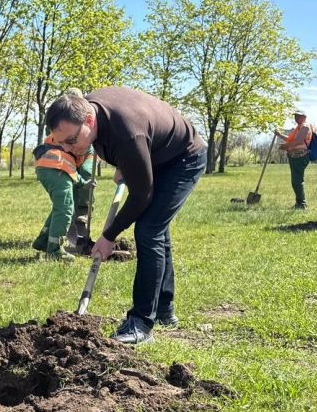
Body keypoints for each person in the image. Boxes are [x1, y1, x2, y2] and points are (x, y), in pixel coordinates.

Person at [46, 88, 206, 345]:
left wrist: (108, 236)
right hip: (154, 153)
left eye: (71, 140)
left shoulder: (127, 134)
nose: (68, 148)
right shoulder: (90, 112)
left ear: (88, 120)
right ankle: (164, 309)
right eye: (60, 142)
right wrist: (126, 164)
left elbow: (142, 196)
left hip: (183, 159)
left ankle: (141, 323)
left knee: (148, 230)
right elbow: (127, 142)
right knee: (157, 230)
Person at [31, 133, 94, 261]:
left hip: (44, 167)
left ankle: (43, 240)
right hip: (58, 168)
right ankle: (54, 250)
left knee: (59, 208)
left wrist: (84, 183)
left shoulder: (64, 132)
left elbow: (74, 172)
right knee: (65, 210)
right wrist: (86, 183)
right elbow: (85, 170)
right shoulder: (86, 144)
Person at [274, 110, 313, 209]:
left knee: (297, 180)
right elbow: (291, 139)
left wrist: (285, 146)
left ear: (304, 117)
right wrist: (279, 135)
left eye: (298, 116)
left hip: (300, 156)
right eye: (295, 116)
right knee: (296, 180)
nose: (296, 118)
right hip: (294, 156)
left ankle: (301, 204)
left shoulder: (305, 127)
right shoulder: (299, 128)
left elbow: (299, 141)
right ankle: (299, 203)